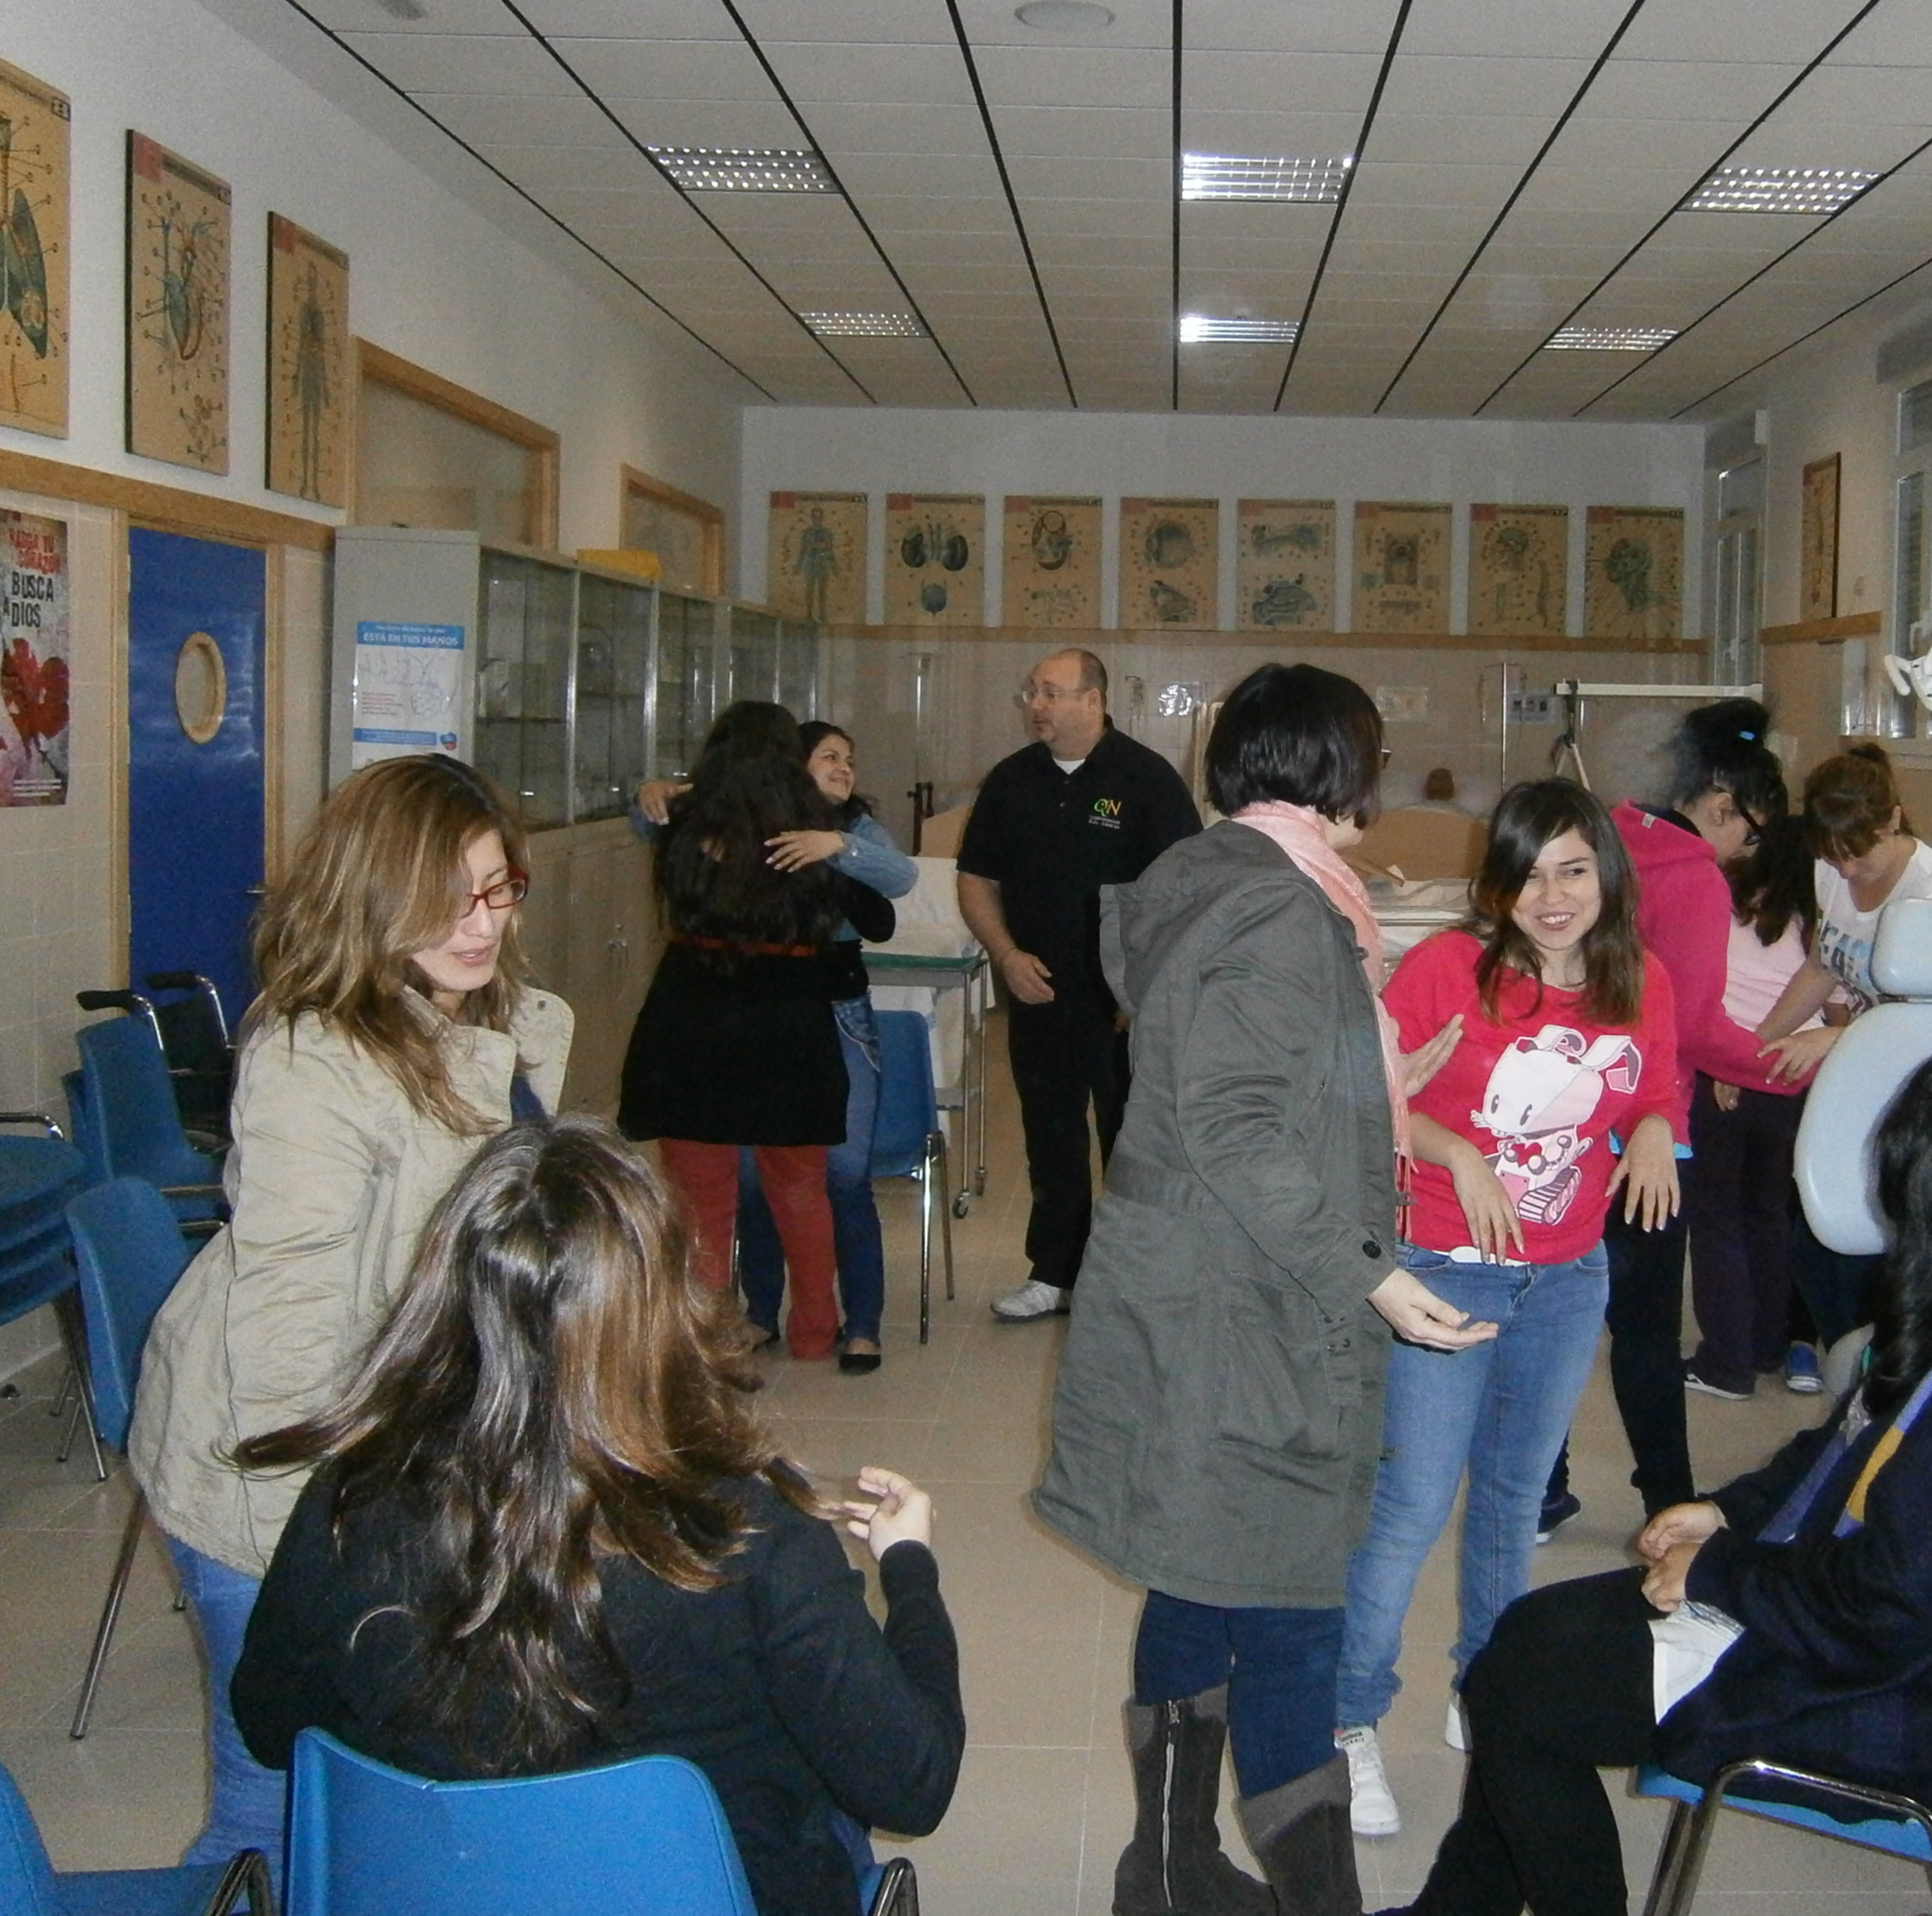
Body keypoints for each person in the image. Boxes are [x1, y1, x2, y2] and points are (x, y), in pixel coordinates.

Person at [1388, 1044, 1932, 1916]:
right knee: (1521, 1640)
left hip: (1894, 1701)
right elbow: (1840, 1456)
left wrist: (1720, 1574)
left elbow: (1891, 1614)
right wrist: (1725, 1515)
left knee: (1522, 1694)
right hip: (1841, 1621)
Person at [231, 1117, 961, 1916]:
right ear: (663, 1302)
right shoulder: (743, 1530)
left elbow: (270, 1724)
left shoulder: (350, 1497)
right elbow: (914, 1786)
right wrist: (909, 1570)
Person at [1034, 663, 1491, 1916]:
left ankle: (1168, 1872)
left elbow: (1234, 1075)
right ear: (1340, 766)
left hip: (1197, 1292)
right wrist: (1376, 1279)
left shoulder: (1214, 872)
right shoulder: (1284, 907)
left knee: (1196, 1579)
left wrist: (1378, 1075)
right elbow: (1233, 1123)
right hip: (1251, 1311)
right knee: (1293, 1614)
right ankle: (1308, 1900)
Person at [129, 752, 574, 1878]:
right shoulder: (312, 1057)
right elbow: (288, 1337)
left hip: (408, 1455)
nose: (481, 923)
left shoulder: (487, 1021)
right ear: (372, 895)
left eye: (497, 887)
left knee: (383, 1792)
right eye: (446, 897)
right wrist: (321, 1566)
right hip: (273, 1475)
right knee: (270, 1805)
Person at [1335, 779, 1683, 1840]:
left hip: (1567, 1278)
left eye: (1574, 870)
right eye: (1529, 875)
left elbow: (1654, 1087)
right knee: (1412, 1503)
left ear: (1606, 876)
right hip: (1445, 1265)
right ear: (1497, 887)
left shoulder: (1639, 978)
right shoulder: (1449, 969)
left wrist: (1655, 1129)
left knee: (1513, 1501)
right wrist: (1458, 1153)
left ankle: (1485, 1690)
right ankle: (1348, 1719)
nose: (1553, 895)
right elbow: (1375, 1095)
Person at [618, 703, 897, 1359]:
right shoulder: (809, 834)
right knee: (800, 1188)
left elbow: (644, 817)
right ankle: (814, 1328)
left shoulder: (684, 824)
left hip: (691, 1015)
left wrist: (656, 792)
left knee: (700, 1197)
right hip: (788, 1020)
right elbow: (879, 908)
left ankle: (707, 1333)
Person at [1590, 700, 1809, 1515]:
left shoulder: (1611, 837)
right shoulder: (1691, 879)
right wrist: (1794, 1069)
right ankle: (1669, 1501)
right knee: (1646, 1330)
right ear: (1722, 805)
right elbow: (1691, 1027)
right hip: (1647, 1130)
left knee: (1561, 1319)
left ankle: (1542, 1492)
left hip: (1568, 1117)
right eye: (1748, 834)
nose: (1746, 851)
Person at [957, 646, 1201, 1321]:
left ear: (1093, 700)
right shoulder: (1012, 780)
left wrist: (1142, 989)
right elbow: (976, 878)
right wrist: (1006, 954)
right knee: (1051, 1139)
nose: (1036, 705)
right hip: (1038, 996)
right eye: (1031, 692)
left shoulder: (1146, 779)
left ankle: (1134, 1281)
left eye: (1051, 692)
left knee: (1132, 1142)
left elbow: (1183, 893)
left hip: (1122, 1008)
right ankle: (1054, 1273)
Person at [1755, 741, 1932, 1344]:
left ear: (1894, 820)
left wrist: (1832, 1037)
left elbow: (1920, 1024)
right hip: (1861, 1069)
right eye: (1834, 856)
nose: (1848, 871)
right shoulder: (1831, 869)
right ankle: (1844, 1353)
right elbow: (1820, 967)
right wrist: (1755, 1046)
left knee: (1888, 1233)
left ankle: (1888, 1359)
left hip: (1926, 1081)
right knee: (1819, 1225)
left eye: (1860, 854)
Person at [1686, 783, 1827, 1401]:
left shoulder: (1725, 907)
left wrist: (1725, 1065)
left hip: (1728, 1077)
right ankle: (1769, 1345)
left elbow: (1705, 992)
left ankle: (1726, 1362)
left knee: (1718, 1221)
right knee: (1769, 1214)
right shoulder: (1818, 926)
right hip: (1795, 1081)